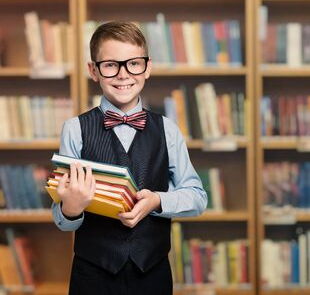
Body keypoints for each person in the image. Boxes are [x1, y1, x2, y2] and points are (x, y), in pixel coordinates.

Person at [51, 21, 207, 295]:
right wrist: (71, 209)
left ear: (147, 67)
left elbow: (197, 197)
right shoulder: (74, 129)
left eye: (133, 63)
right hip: (92, 275)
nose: (123, 74)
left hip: (153, 272)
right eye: (111, 64)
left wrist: (158, 201)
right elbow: (61, 217)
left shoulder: (167, 130)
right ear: (93, 71)